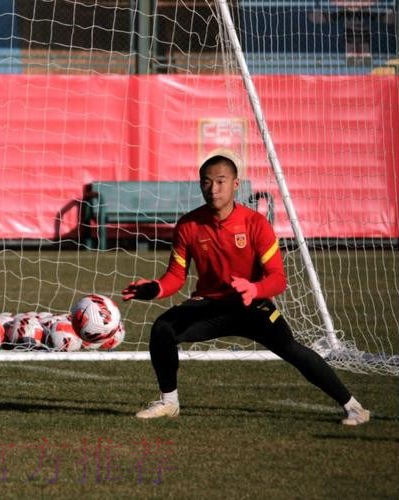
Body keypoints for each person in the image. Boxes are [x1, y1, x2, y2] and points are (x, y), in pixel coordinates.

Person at [121, 154, 370, 426]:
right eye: (206, 182)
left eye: (221, 181)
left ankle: (353, 407)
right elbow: (175, 276)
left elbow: (278, 279)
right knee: (162, 329)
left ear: (236, 184)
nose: (213, 189)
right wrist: (154, 288)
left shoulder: (256, 224)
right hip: (209, 305)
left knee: (291, 350)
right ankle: (169, 402)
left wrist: (254, 288)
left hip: (252, 305)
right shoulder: (188, 225)